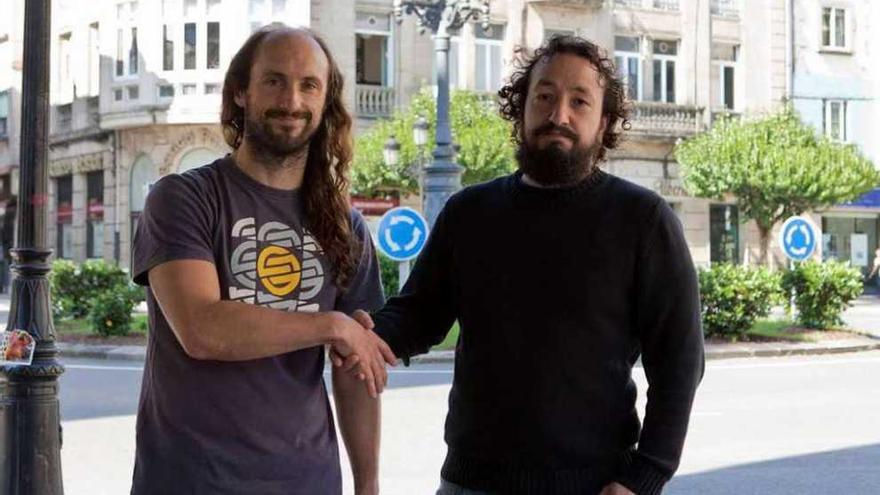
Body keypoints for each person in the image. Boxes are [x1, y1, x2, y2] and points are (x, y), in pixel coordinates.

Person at [363, 36, 705, 495]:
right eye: (544, 96)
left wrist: (645, 475)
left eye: (578, 101)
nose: (558, 115)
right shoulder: (469, 213)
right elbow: (420, 315)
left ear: (603, 123)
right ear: (521, 108)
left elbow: (679, 360)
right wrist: (365, 336)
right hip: (470, 482)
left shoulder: (643, 220)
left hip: (595, 485)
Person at [130, 25, 396, 495]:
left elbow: (357, 372)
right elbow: (202, 329)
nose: (291, 100)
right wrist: (330, 324)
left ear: (324, 101)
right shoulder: (183, 198)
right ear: (240, 92)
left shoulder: (346, 226)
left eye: (308, 85)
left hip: (308, 480)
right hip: (191, 481)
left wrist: (368, 485)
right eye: (274, 80)